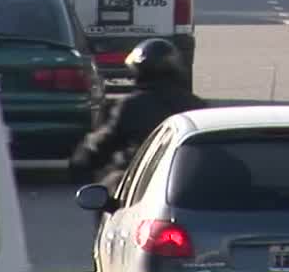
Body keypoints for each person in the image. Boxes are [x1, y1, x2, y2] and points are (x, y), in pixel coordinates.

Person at [68, 38, 206, 195]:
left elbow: (105, 143)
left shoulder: (132, 105)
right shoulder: (197, 105)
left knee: (109, 189)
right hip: (186, 182)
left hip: (142, 180)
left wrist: (85, 155)